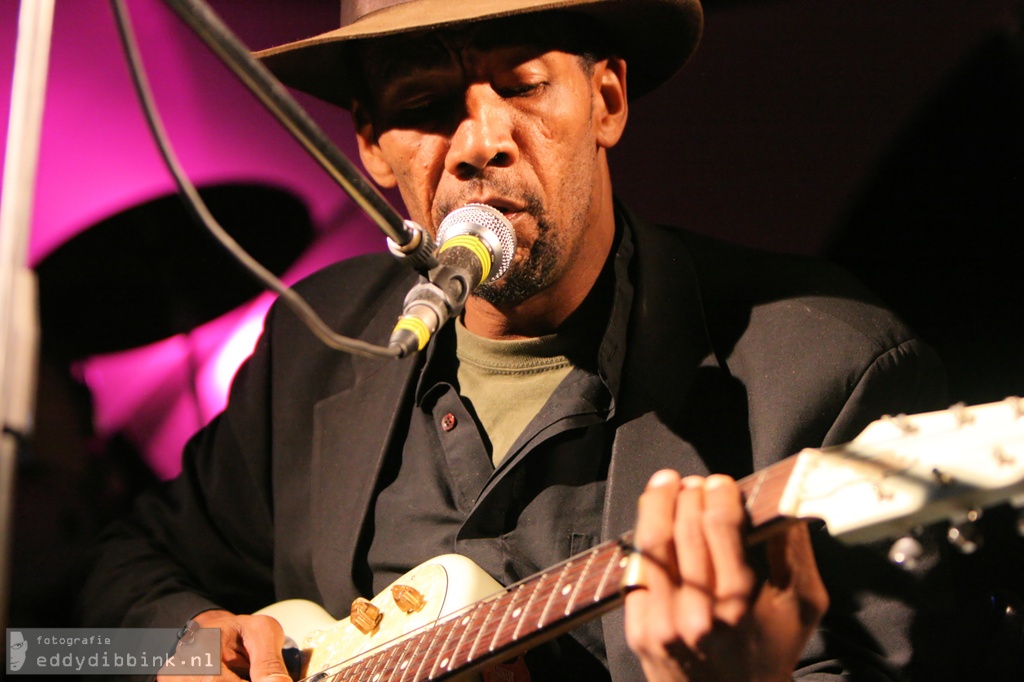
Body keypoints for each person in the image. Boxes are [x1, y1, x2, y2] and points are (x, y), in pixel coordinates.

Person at [80, 1, 949, 680]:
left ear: (607, 100)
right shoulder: (318, 342)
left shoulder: (834, 371)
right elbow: (77, 624)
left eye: (524, 86)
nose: (481, 144)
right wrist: (188, 656)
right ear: (372, 148)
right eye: (423, 106)